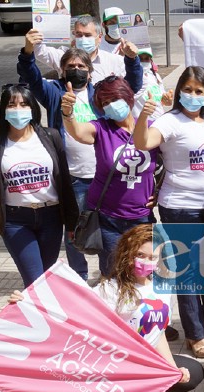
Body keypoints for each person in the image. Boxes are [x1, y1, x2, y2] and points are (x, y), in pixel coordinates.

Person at [8, 224, 204, 392]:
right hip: (115, 372)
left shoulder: (162, 285)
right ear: (127, 255)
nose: (147, 262)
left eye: (153, 257)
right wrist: (27, 303)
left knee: (193, 373)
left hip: (145, 367)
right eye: (140, 255)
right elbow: (67, 311)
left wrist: (171, 368)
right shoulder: (110, 290)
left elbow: (158, 331)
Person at [19, 31, 142, 281]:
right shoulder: (54, 92)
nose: (77, 70)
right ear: (62, 71)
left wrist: (132, 61)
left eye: (81, 66)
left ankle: (107, 277)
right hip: (73, 176)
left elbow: (131, 87)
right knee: (76, 232)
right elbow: (31, 79)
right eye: (71, 66)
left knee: (104, 230)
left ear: (89, 70)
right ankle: (80, 278)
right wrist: (28, 53)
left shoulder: (101, 94)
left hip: (106, 177)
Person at [134, 65, 204, 359]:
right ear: (178, 93)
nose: (193, 95)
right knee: (187, 272)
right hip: (180, 207)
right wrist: (143, 116)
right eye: (187, 89)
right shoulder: (169, 121)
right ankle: (194, 333)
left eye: (199, 91)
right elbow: (142, 142)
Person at [62, 76, 158, 278]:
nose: (111, 106)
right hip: (107, 218)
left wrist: (159, 190)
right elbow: (78, 132)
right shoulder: (101, 128)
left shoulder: (151, 126)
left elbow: (175, 160)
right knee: (113, 274)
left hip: (141, 217)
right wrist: (67, 113)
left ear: (127, 97)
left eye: (114, 99)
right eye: (105, 103)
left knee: (142, 273)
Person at [0, 85, 78, 287]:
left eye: (24, 104)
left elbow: (65, 183)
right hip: (16, 221)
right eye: (12, 105)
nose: (18, 109)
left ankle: (46, 317)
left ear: (33, 108)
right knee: (34, 280)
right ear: (3, 110)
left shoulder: (51, 137)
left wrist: (72, 222)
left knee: (47, 277)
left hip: (51, 217)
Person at [33, 15, 129, 82]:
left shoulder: (114, 61)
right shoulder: (63, 56)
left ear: (99, 37)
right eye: (79, 35)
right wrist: (38, 33)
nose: (83, 39)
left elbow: (131, 85)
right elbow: (40, 52)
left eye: (88, 35)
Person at [132, 48, 174, 121]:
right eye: (140, 58)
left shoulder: (156, 76)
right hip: (140, 124)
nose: (144, 61)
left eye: (147, 58)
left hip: (158, 122)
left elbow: (162, 101)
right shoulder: (129, 78)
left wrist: (167, 100)